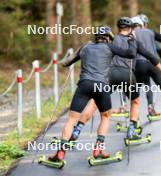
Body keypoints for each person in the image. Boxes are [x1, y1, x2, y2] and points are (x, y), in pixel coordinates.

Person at [47, 25, 138, 162]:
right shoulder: (110, 47)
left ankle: (60, 153)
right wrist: (132, 40)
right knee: (106, 117)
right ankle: (98, 150)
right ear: (108, 38)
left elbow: (65, 63)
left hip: (84, 85)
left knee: (71, 119)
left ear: (96, 37)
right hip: (102, 86)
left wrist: (68, 56)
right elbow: (131, 54)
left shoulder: (85, 47)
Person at [70, 17, 161, 141]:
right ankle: (132, 130)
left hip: (109, 75)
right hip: (127, 75)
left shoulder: (111, 41)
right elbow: (151, 57)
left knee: (95, 102)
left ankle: (77, 129)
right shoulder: (134, 42)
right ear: (131, 28)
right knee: (135, 101)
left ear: (118, 28)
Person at [137, 14, 161, 117]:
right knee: (152, 85)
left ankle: (129, 112)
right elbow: (159, 49)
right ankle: (152, 108)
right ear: (145, 24)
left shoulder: (132, 34)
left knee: (135, 88)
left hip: (138, 65)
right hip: (152, 64)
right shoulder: (150, 34)